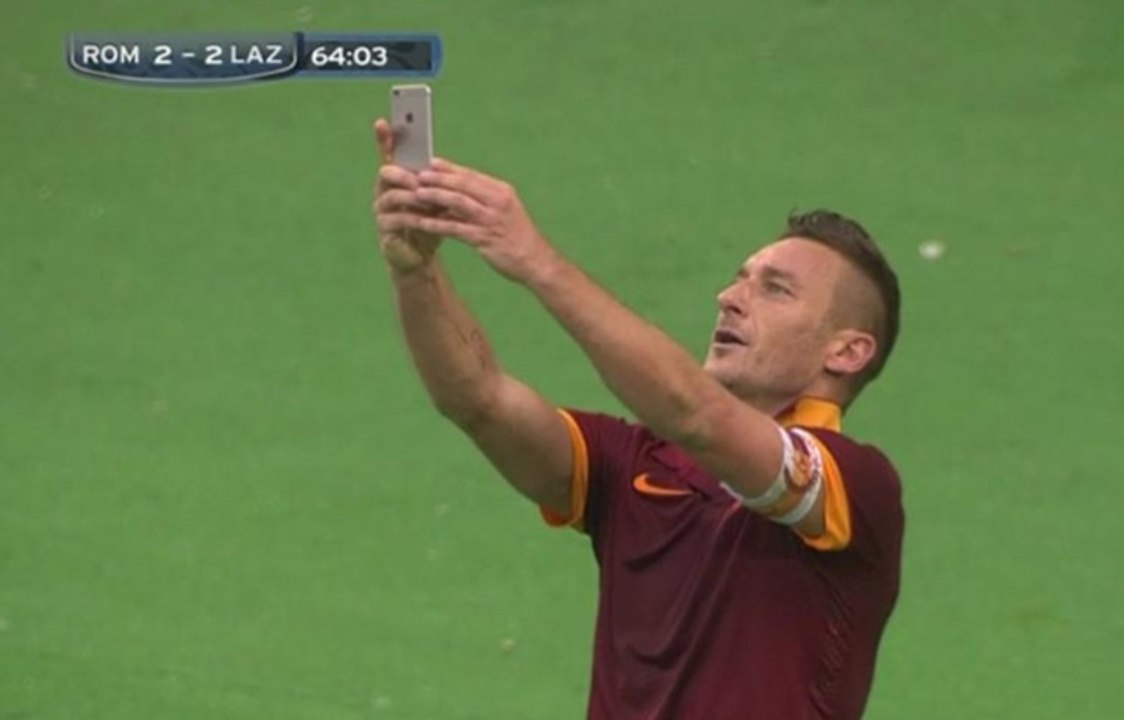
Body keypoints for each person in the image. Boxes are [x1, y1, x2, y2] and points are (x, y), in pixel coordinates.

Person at [370, 118, 904, 720]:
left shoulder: (853, 487)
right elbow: (478, 398)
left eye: (775, 290)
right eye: (740, 278)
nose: (730, 297)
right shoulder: (631, 463)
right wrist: (415, 271)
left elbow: (696, 414)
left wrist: (538, 262)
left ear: (847, 352)